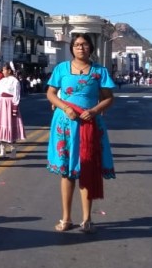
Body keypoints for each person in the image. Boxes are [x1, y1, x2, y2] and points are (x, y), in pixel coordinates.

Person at [45, 33, 116, 234]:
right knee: (67, 172)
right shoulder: (61, 69)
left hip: (90, 124)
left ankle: (87, 219)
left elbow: (109, 98)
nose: (80, 48)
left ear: (91, 48)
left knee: (87, 170)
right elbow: (50, 93)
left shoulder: (99, 71)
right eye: (76, 45)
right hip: (65, 125)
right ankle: (66, 218)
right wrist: (64, 108)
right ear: (71, 48)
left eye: (84, 44)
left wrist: (94, 110)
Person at [0, 61, 25, 158]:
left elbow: (16, 96)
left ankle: (13, 150)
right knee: (2, 128)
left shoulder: (15, 81)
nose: (2, 71)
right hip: (2, 105)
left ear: (9, 70)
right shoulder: (1, 81)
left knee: (10, 127)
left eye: (4, 69)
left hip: (10, 105)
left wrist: (14, 108)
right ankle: (2, 149)